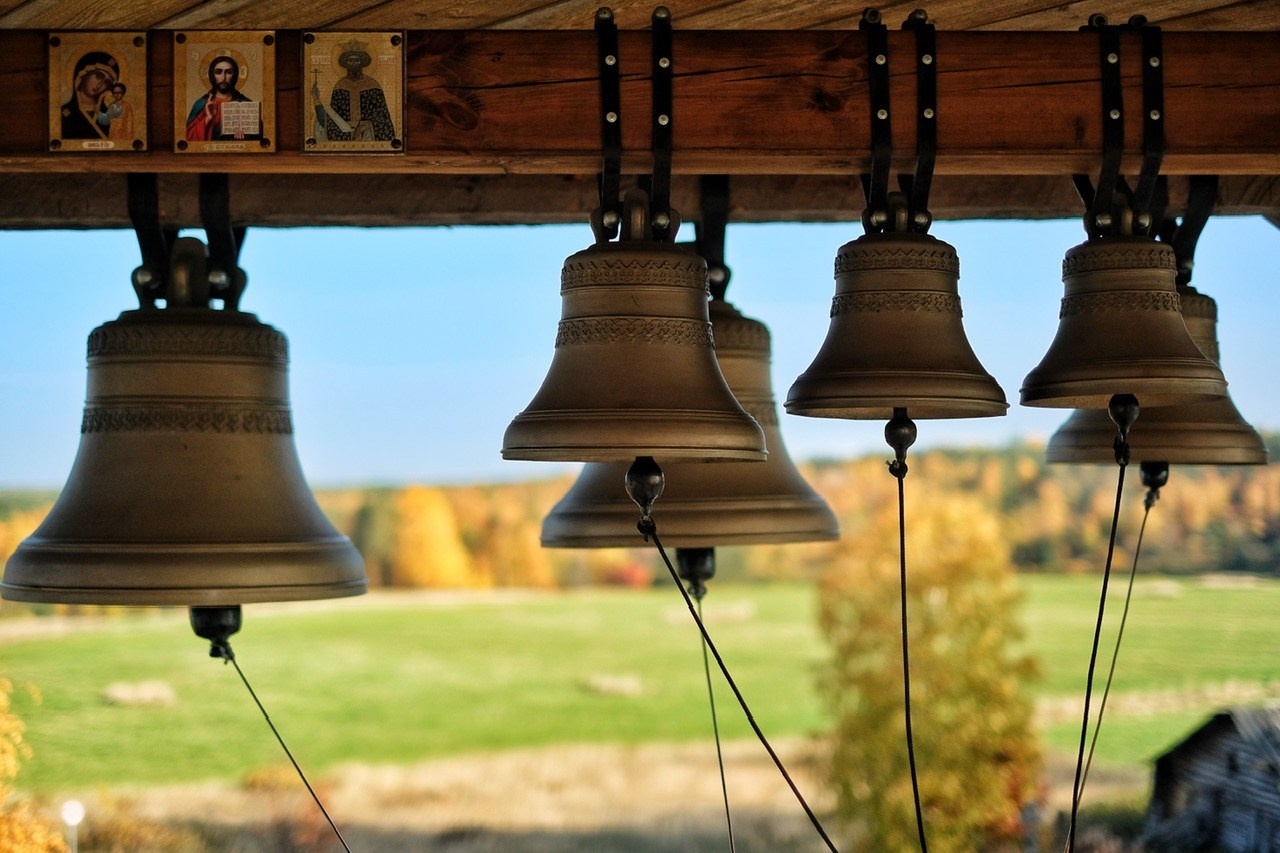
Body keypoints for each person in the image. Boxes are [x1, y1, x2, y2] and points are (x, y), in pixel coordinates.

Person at [312, 41, 394, 143]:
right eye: (350, 61)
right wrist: (316, 99)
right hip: (345, 133)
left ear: (363, 62)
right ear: (345, 63)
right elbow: (333, 118)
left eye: (357, 60)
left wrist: (365, 126)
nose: (354, 64)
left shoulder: (373, 85)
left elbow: (382, 116)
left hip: (368, 133)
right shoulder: (339, 86)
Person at [185, 55, 257, 141]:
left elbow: (258, 139)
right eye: (218, 72)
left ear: (235, 75)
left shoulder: (246, 104)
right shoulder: (201, 104)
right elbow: (188, 138)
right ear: (212, 75)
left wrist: (246, 135)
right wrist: (208, 118)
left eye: (229, 72)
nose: (223, 77)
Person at [60, 51, 119, 140]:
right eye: (98, 76)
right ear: (84, 73)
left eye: (107, 83)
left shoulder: (109, 115)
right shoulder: (64, 112)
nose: (99, 85)